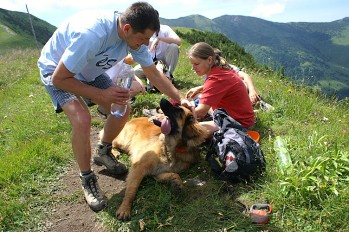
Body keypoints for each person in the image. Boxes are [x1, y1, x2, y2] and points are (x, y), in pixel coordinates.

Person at [37, 2, 190, 212]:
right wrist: (101, 94)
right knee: (82, 119)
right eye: (143, 38)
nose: (146, 44)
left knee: (122, 108)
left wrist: (179, 99)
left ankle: (103, 150)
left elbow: (153, 73)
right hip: (57, 72)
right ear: (126, 29)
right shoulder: (91, 35)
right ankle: (87, 178)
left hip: (88, 71)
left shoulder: (133, 37)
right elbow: (60, 79)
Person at [186, 42, 255, 135]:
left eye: (196, 64)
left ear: (209, 60)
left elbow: (201, 112)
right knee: (195, 96)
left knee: (188, 130)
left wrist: (174, 116)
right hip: (238, 115)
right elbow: (222, 86)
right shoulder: (221, 68)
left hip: (239, 123)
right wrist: (201, 88)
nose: (193, 68)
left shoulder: (215, 78)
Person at [133, 24, 182, 91]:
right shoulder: (144, 30)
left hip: (164, 62)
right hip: (150, 62)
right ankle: (155, 76)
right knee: (135, 72)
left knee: (174, 47)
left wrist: (159, 39)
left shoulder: (165, 29)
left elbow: (178, 41)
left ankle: (168, 75)